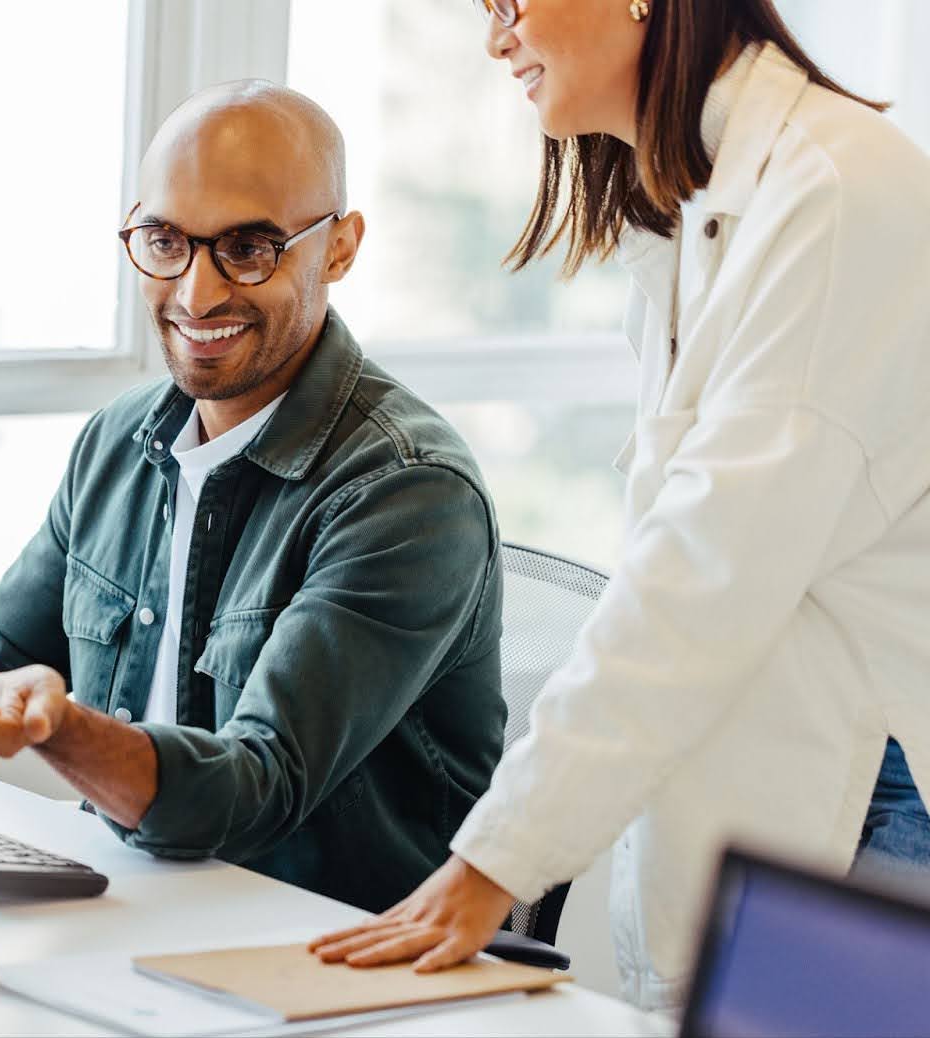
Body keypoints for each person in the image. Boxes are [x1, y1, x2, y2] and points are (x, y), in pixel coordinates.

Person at [311, 0, 930, 1011]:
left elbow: (700, 573)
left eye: (510, 1)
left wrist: (494, 862)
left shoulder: (832, 191)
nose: (493, 37)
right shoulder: (703, 206)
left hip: (872, 811)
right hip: (801, 795)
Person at [0, 80, 507, 915]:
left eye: (248, 248)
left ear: (339, 248)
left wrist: (57, 728)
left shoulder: (408, 493)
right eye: (166, 240)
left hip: (322, 966)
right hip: (129, 921)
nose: (197, 294)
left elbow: (255, 791)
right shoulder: (120, 442)